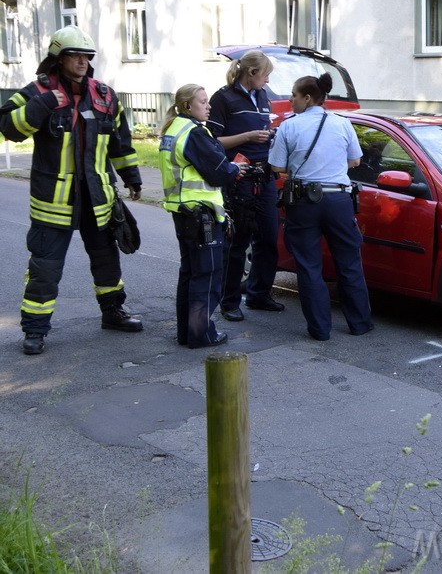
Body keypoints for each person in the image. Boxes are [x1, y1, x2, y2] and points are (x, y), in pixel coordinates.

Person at [0, 25, 144, 355]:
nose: (82, 61)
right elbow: (8, 126)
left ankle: (113, 313)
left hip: (97, 198)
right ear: (58, 59)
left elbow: (120, 143)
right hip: (53, 201)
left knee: (107, 262)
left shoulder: (105, 95)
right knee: (45, 268)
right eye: (74, 55)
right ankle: (35, 330)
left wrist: (132, 177)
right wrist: (46, 103)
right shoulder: (38, 90)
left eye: (86, 56)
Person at [269, 74, 373, 340]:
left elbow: (277, 167)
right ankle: (360, 324)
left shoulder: (289, 127)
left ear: (307, 98)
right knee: (349, 263)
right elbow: (356, 161)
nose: (290, 100)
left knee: (309, 266)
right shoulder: (342, 123)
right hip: (339, 200)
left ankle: (319, 329)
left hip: (304, 201)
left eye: (293, 94)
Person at [159, 84, 246, 348]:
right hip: (201, 215)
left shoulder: (174, 130)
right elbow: (218, 171)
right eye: (203, 102)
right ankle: (201, 333)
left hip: (183, 212)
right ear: (188, 106)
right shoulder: (195, 133)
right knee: (207, 274)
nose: (208, 106)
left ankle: (187, 332)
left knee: (190, 273)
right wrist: (235, 168)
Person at [207, 49, 282, 322]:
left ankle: (259, 294)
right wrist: (248, 136)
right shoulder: (223, 98)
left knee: (269, 238)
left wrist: (270, 136)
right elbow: (212, 142)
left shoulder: (263, 97)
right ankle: (229, 302)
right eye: (266, 75)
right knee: (237, 242)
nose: (268, 82)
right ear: (251, 73)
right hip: (239, 178)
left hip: (265, 177)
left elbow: (263, 134)